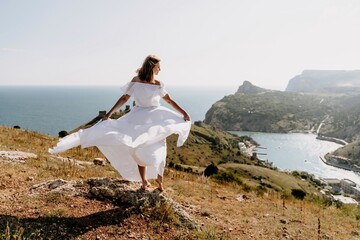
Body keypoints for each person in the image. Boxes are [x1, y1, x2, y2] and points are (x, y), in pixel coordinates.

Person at [49, 55, 191, 192]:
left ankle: (145, 182)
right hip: (154, 117)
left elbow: (124, 99)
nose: (160, 70)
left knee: (137, 147)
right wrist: (183, 112)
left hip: (138, 117)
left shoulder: (137, 81)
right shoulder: (157, 84)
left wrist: (109, 114)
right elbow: (169, 101)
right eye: (159, 67)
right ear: (153, 67)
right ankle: (156, 181)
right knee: (158, 147)